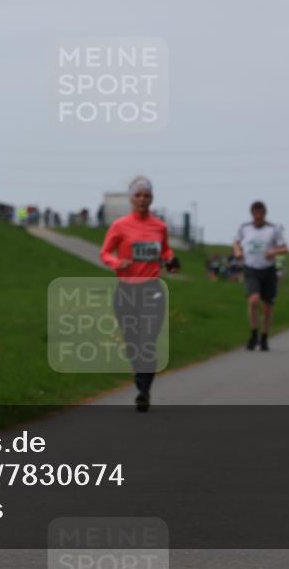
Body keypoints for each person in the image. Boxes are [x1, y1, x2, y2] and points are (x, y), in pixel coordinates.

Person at [100, 176, 180, 412]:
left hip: (152, 288)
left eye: (146, 195)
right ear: (131, 198)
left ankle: (143, 391)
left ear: (152, 198)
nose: (142, 199)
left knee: (148, 341)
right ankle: (141, 379)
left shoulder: (160, 226)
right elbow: (105, 253)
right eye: (138, 195)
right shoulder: (119, 226)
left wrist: (171, 260)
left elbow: (165, 250)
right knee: (133, 342)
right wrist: (117, 262)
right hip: (126, 289)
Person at [233, 201, 289, 351]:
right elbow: (236, 242)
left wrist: (274, 252)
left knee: (267, 307)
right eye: (255, 213)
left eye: (260, 213)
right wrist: (237, 251)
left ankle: (264, 337)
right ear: (252, 214)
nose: (258, 216)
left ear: (265, 213)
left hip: (268, 270)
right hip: (251, 269)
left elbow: (285, 248)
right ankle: (253, 334)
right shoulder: (245, 228)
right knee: (253, 300)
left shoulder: (273, 229)